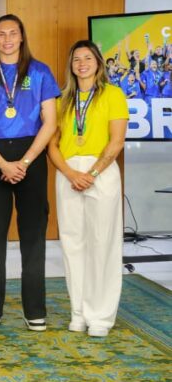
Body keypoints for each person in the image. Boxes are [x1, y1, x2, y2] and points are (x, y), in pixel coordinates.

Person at [0, 14, 59, 332]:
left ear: (22, 37)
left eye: (13, 33)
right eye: (1, 34)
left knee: (33, 237)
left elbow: (50, 122)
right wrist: (2, 164)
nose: (7, 39)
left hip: (30, 157)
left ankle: (34, 309)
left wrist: (25, 162)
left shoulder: (40, 71)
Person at [47, 40, 128, 337]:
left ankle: (101, 316)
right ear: (71, 65)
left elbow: (116, 141)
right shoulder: (62, 100)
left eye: (87, 58)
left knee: (102, 243)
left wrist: (92, 173)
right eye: (76, 59)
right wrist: (70, 173)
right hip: (68, 173)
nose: (82, 63)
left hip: (101, 172)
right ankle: (79, 311)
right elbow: (51, 145)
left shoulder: (113, 95)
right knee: (72, 244)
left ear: (98, 62)